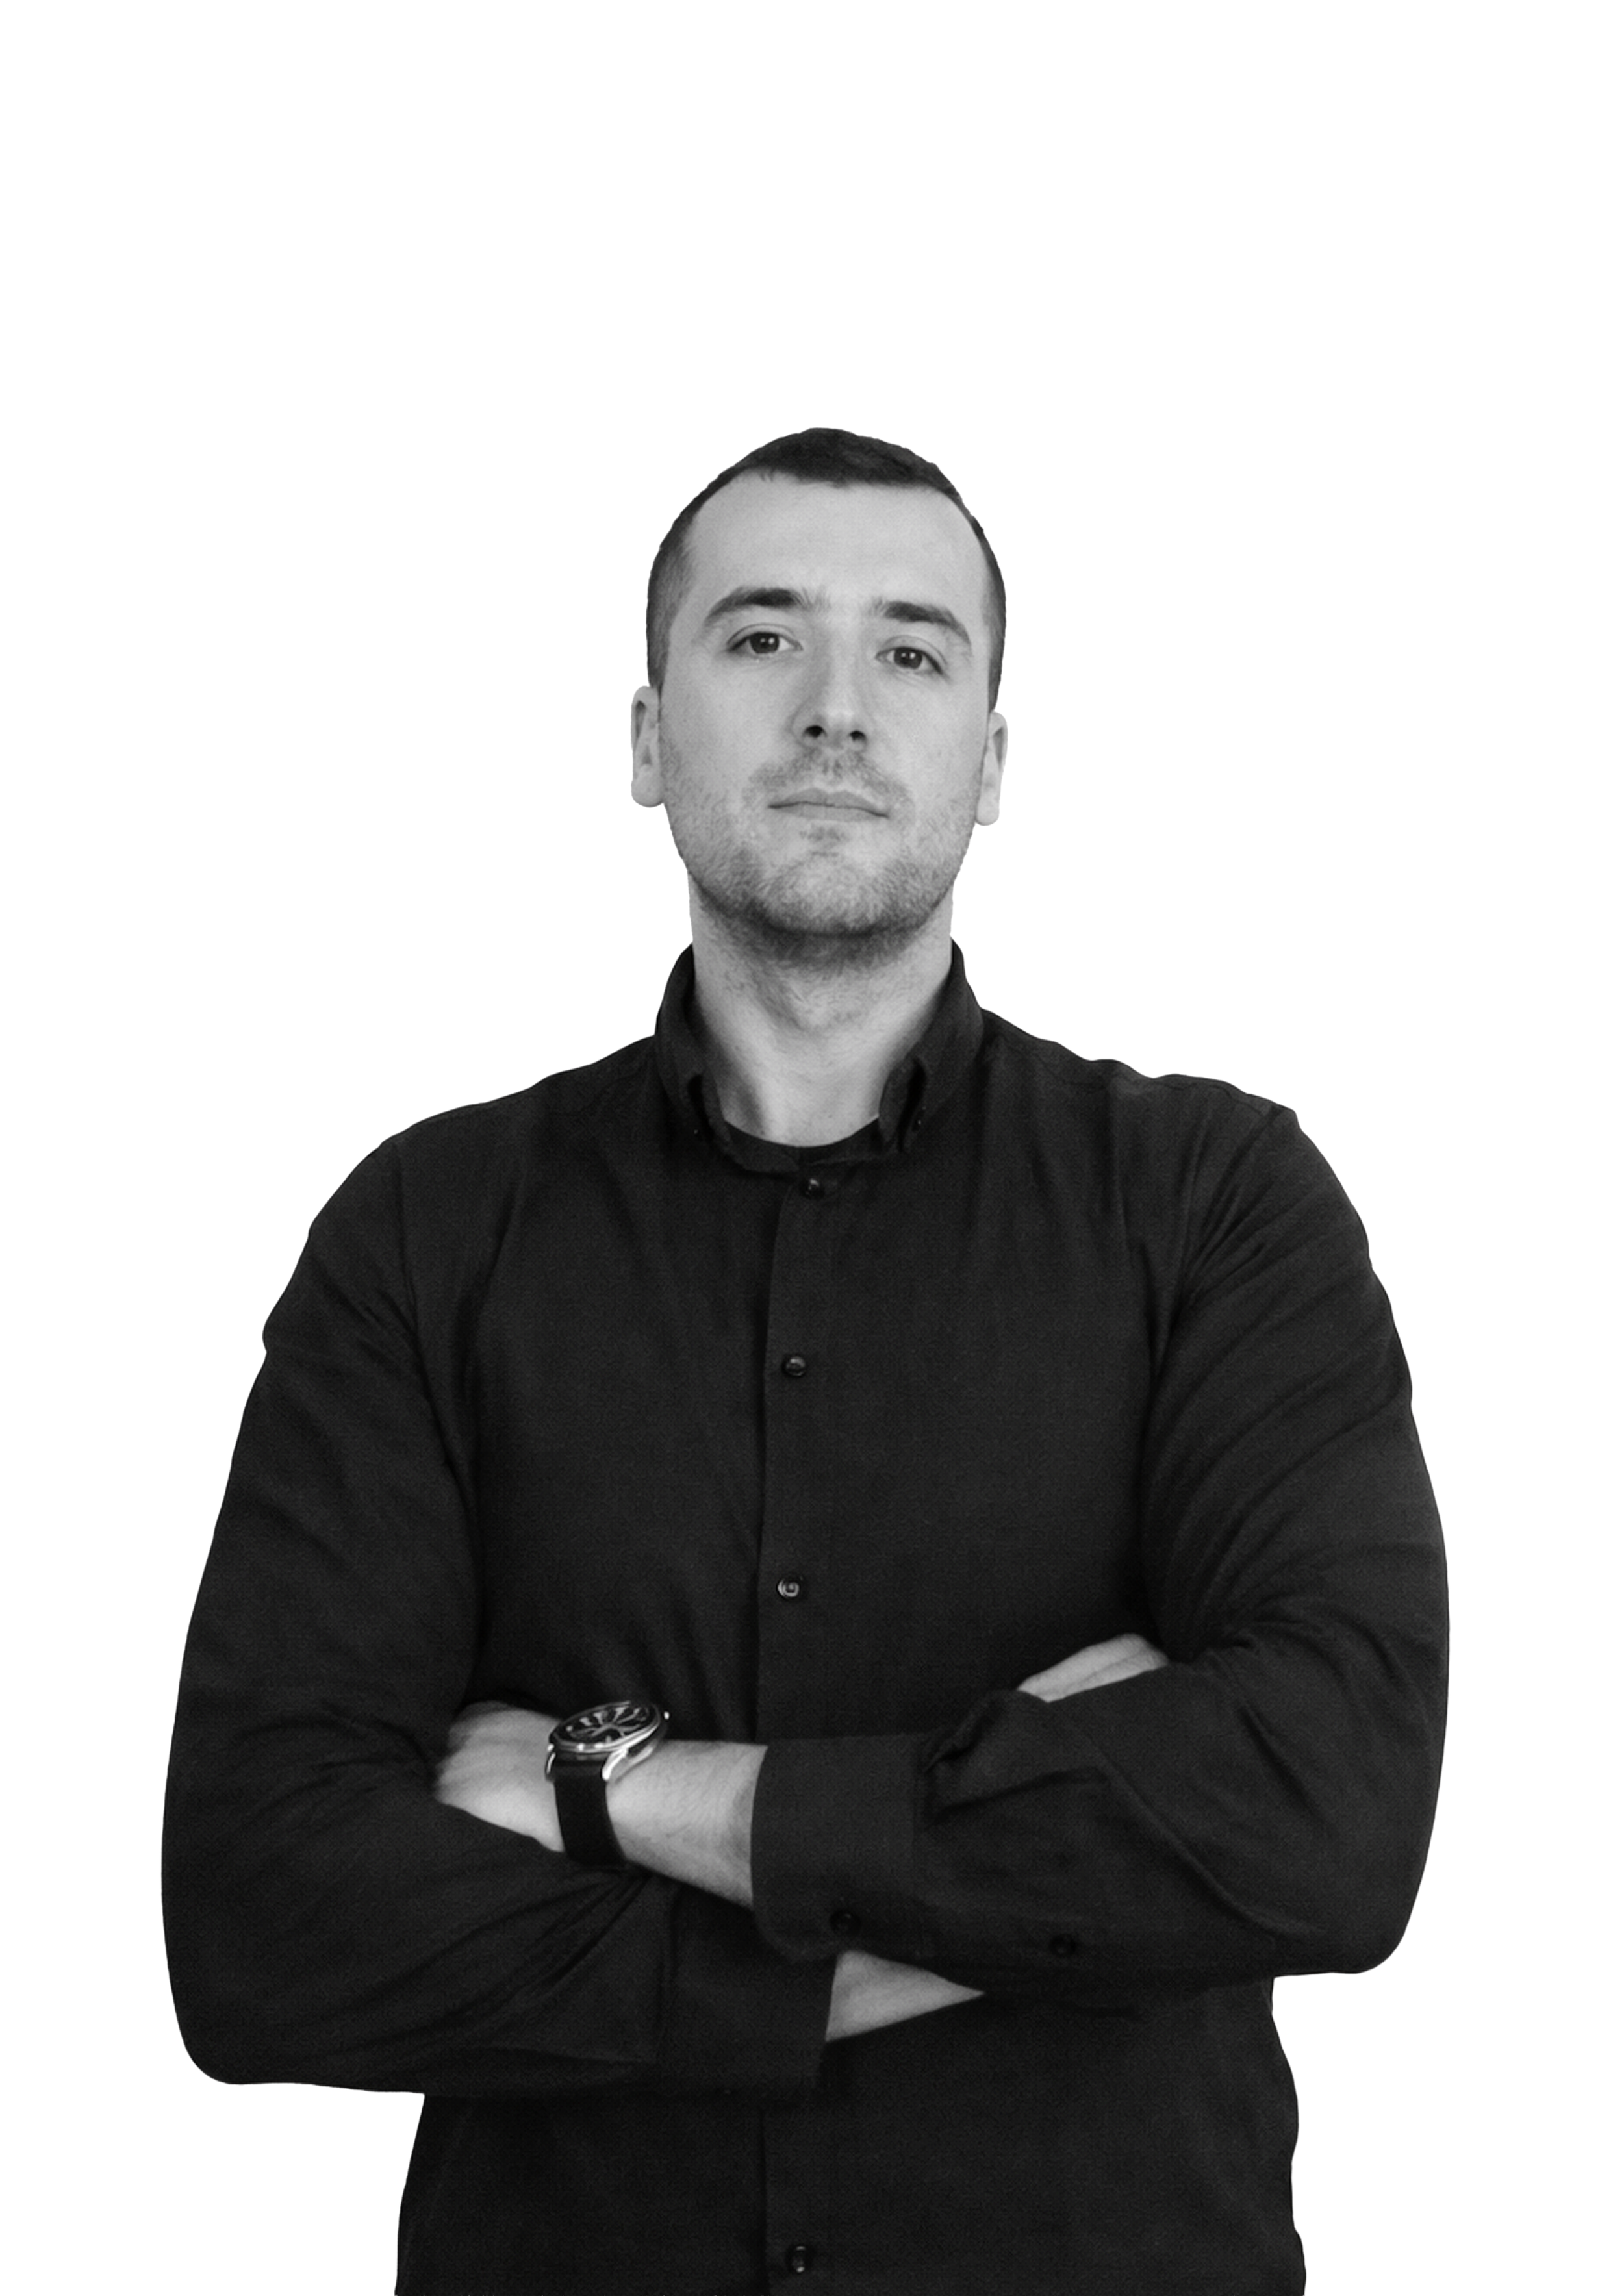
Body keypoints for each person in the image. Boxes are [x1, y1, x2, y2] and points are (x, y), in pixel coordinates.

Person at [164, 427, 1448, 2295]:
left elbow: (1325, 1818)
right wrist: (984, 1870)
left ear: (988, 763)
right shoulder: (430, 1234)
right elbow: (266, 1918)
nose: (839, 708)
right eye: (762, 639)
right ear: (641, 734)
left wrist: (624, 1790)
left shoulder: (1213, 1208)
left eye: (913, 651)